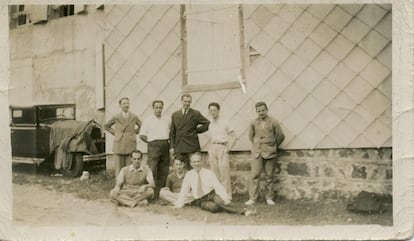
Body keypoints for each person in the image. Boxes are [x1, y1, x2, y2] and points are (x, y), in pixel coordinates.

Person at [174, 153, 252, 216]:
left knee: (220, 201)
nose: (196, 164)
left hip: (212, 194)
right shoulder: (189, 175)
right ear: (191, 163)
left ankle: (243, 212)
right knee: (213, 208)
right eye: (194, 162)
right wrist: (179, 204)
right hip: (201, 199)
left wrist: (225, 198)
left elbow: (218, 186)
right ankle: (226, 207)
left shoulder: (209, 173)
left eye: (198, 161)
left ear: (202, 162)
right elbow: (184, 190)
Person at [245, 102, 285, 206]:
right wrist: (257, 145)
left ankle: (269, 197)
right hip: (257, 152)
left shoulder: (273, 122)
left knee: (269, 176)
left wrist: (272, 146)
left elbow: (280, 136)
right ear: (256, 112)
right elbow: (251, 136)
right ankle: (253, 197)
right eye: (259, 111)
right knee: (255, 175)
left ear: (266, 110)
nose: (261, 112)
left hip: (270, 152)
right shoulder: (253, 122)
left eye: (263, 110)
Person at [139, 100, 170, 199]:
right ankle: (152, 192)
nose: (158, 109)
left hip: (165, 144)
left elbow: (170, 132)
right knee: (153, 169)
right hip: (153, 145)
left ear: (162, 108)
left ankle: (161, 193)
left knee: (164, 169)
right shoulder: (148, 120)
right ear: (153, 108)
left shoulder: (167, 119)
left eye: (160, 107)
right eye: (156, 107)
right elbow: (142, 135)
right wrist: (151, 142)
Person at [170, 94, 210, 169]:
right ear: (181, 101)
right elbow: (172, 132)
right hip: (179, 146)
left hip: (192, 146)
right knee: (181, 168)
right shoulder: (175, 114)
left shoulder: (195, 113)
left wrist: (196, 130)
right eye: (185, 101)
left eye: (189, 102)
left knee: (193, 168)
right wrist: (172, 146)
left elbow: (207, 124)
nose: (187, 104)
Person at [104, 97, 142, 175]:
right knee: (118, 166)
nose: (126, 105)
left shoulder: (134, 116)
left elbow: (142, 126)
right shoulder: (116, 117)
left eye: (128, 103)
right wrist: (116, 133)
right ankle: (118, 183)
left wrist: (134, 132)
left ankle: (129, 183)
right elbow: (106, 126)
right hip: (119, 143)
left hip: (130, 142)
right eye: (124, 103)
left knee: (130, 165)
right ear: (120, 105)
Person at [207, 102, 236, 200]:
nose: (212, 112)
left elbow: (234, 136)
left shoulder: (225, 121)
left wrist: (229, 148)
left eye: (214, 110)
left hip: (223, 148)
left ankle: (227, 196)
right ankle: (219, 195)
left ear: (218, 111)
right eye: (210, 110)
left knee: (224, 173)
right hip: (213, 148)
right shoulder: (210, 124)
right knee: (215, 173)